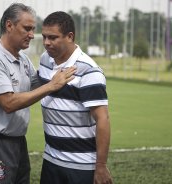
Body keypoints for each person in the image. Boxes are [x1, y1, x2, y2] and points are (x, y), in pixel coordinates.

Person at [0, 4, 76, 184]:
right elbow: (8, 103)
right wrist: (51, 85)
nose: (33, 35)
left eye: (33, 29)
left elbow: (36, 85)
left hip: (17, 141)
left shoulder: (22, 58)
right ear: (9, 26)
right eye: (27, 28)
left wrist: (66, 60)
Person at [38, 11, 113, 184]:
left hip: (81, 165)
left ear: (70, 36)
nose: (46, 43)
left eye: (53, 38)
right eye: (44, 37)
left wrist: (100, 166)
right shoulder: (44, 60)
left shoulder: (88, 70)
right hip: (50, 159)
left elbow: (103, 119)